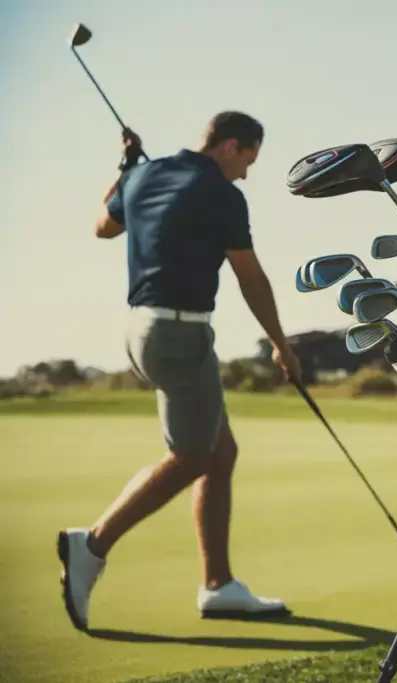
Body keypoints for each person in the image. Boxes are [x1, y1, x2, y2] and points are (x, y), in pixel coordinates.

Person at [58, 111, 303, 631]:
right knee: (191, 457)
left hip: (143, 329)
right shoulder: (222, 194)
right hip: (178, 333)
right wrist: (281, 345)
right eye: (248, 160)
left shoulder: (143, 175)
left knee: (221, 451)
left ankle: (218, 585)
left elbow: (103, 226)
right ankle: (92, 544)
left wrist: (125, 168)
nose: (246, 174)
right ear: (230, 146)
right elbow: (250, 276)